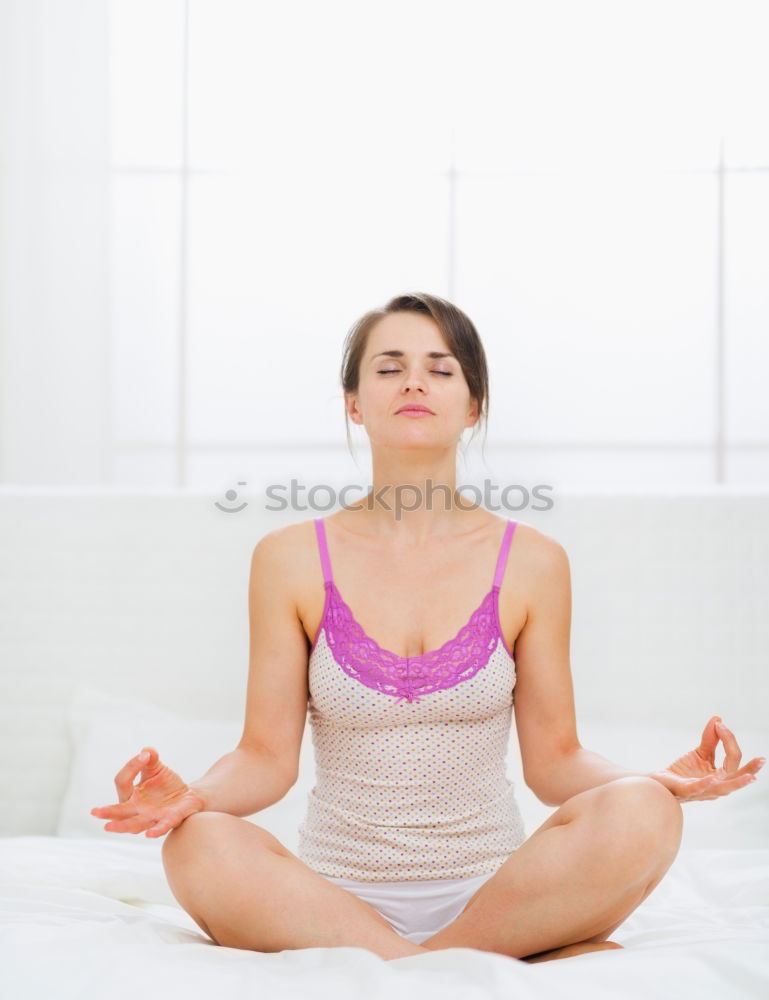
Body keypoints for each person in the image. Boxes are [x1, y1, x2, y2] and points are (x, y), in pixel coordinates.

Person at [90, 292, 765, 963]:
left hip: (496, 895)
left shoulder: (531, 562)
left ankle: (410, 960)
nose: (414, 381)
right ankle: (450, 965)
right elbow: (265, 758)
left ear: (472, 406)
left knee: (644, 810)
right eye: (388, 367)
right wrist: (193, 798)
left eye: (441, 369)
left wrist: (655, 783)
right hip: (328, 898)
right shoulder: (288, 559)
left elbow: (555, 760)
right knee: (200, 842)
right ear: (353, 403)